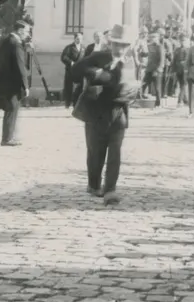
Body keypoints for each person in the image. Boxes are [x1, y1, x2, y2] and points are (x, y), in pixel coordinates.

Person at [72, 24, 140, 205]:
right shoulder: (98, 57)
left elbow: (134, 84)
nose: (120, 49)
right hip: (97, 112)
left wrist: (132, 91)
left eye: (124, 45)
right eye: (117, 45)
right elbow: (76, 71)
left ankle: (110, 190)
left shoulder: (131, 62)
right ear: (110, 44)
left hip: (119, 113)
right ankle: (94, 185)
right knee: (95, 152)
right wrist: (97, 74)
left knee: (115, 152)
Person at [0, 20, 29, 146]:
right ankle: (7, 138)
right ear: (20, 30)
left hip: (5, 79)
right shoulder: (16, 43)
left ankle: (8, 136)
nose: (27, 34)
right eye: (26, 31)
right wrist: (25, 85)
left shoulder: (6, 40)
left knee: (9, 109)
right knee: (12, 109)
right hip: (13, 82)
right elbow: (20, 65)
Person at [60, 33, 84, 109]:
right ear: (74, 39)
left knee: (80, 87)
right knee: (68, 87)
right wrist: (71, 62)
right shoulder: (69, 47)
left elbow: (86, 58)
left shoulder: (83, 48)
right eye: (77, 38)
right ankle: (67, 103)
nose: (79, 40)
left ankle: (76, 103)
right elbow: (63, 57)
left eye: (80, 38)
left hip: (80, 71)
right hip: (70, 70)